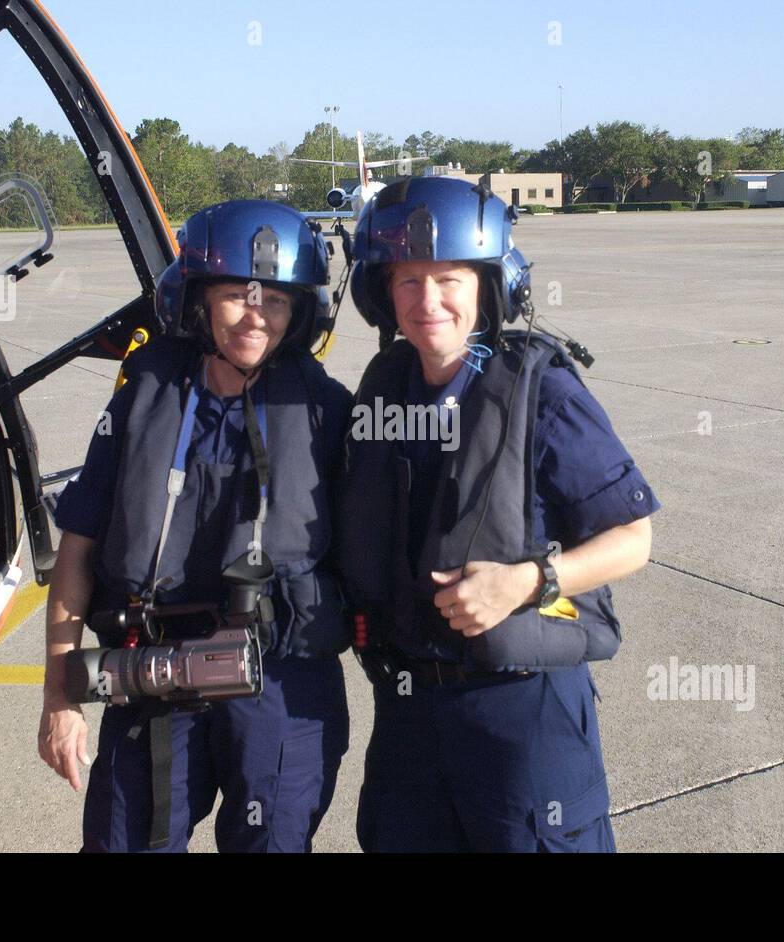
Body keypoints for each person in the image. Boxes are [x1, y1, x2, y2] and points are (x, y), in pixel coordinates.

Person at [338, 176, 660, 852]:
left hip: (522, 717)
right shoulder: (382, 389)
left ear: (488, 287)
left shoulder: (541, 389)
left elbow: (633, 539)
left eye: (449, 278)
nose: (428, 301)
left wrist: (527, 582)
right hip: (407, 716)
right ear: (381, 293)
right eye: (407, 280)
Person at [38, 200, 352, 853]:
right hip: (152, 671)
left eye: (274, 300)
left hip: (280, 680)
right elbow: (78, 546)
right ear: (199, 301)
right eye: (236, 294)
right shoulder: (144, 398)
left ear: (299, 312)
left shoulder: (326, 412)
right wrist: (59, 693)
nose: (254, 315)